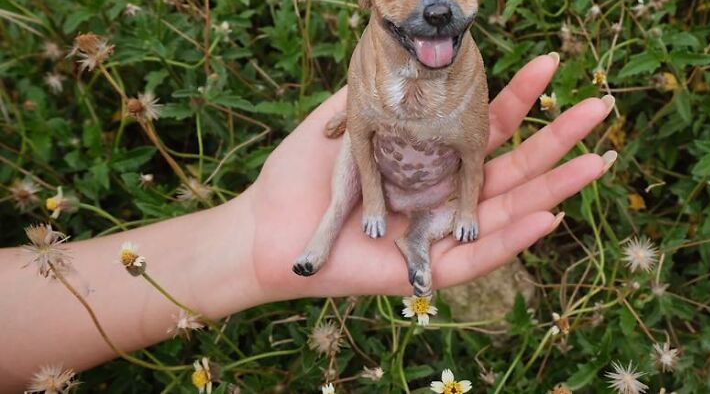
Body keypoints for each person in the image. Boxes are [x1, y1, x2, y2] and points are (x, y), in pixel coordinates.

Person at [0, 54, 616, 390]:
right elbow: (361, 123)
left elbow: (470, 153)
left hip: (434, 182)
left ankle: (417, 243)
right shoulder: (379, 68)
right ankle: (330, 232)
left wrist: (245, 240)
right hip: (376, 181)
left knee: (445, 205)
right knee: (352, 178)